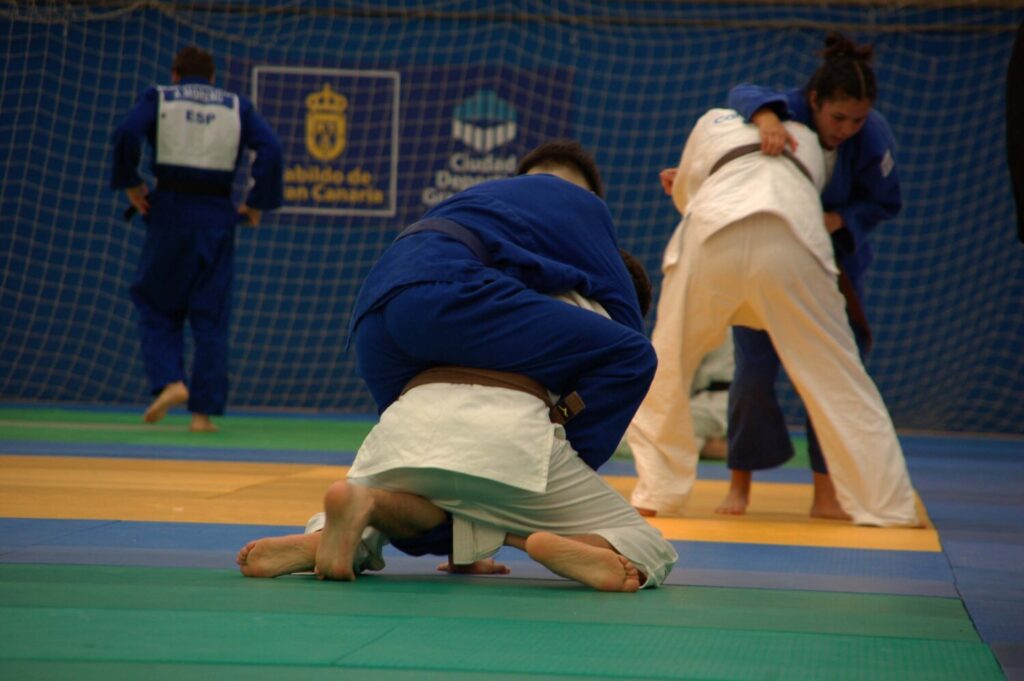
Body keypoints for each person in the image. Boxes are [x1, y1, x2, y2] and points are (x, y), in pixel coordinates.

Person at [236, 141, 678, 590]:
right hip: (500, 415)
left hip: (380, 324)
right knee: (649, 540)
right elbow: (630, 346)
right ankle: (546, 539)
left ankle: (335, 529)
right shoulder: (584, 253)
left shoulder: (498, 236)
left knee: (419, 499)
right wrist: (567, 442)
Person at [625, 106, 920, 527]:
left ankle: (657, 491)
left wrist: (691, 187)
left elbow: (686, 193)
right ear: (814, 104)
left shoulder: (713, 121)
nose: (847, 128)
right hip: (792, 240)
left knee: (667, 367)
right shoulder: (814, 141)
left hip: (713, 236)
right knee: (840, 380)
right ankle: (887, 504)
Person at [719, 32, 902, 514]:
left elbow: (885, 201)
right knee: (753, 375)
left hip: (832, 272)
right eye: (838, 117)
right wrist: (765, 118)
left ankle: (828, 493)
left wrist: (839, 219)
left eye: (857, 119)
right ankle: (740, 486)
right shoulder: (786, 111)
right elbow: (740, 93)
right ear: (814, 101)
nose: (846, 128)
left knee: (833, 376)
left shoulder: (872, 135)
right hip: (765, 264)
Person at [110, 46, 283, 432]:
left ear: (175, 74)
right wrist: (256, 203)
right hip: (217, 217)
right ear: (213, 78)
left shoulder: (160, 97)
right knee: (211, 316)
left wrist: (131, 182)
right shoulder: (236, 105)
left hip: (169, 212)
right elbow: (271, 149)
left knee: (155, 304)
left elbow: (126, 133)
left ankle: (171, 382)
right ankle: (202, 416)